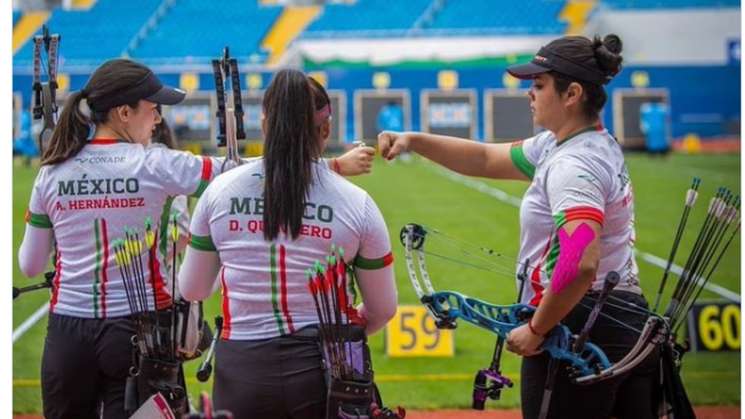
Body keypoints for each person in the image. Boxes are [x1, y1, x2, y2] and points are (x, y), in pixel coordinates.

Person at [16, 59, 374, 419]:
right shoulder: (154, 164)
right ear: (124, 112)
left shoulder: (51, 171)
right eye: (153, 110)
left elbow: (30, 264)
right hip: (138, 333)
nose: (158, 119)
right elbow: (245, 175)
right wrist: (334, 166)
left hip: (66, 334)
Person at [378, 35, 658, 419]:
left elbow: (579, 262)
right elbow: (486, 158)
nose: (530, 93)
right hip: (617, 319)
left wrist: (539, 328)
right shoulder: (565, 145)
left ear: (572, 93)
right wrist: (413, 141)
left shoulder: (572, 165)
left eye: (539, 85)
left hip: (578, 326)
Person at [179, 69, 398, 418]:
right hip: (329, 370)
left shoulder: (219, 191)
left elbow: (192, 288)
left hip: (241, 369)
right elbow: (383, 308)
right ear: (325, 129)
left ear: (265, 126)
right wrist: (348, 328)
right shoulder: (357, 203)